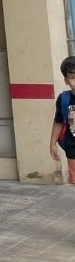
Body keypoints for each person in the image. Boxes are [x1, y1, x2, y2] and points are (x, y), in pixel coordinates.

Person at [49, 55, 75, 184]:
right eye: (72, 78)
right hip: (72, 144)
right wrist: (52, 143)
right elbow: (58, 121)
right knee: (73, 173)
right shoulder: (64, 99)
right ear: (66, 80)